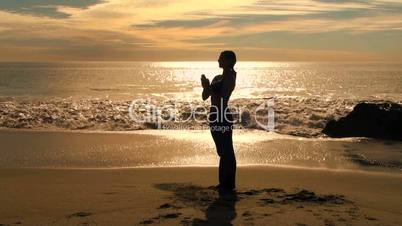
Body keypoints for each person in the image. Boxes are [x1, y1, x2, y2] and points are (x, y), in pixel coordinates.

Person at [201, 50, 237, 191]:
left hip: (222, 115)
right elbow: (205, 96)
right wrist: (206, 86)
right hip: (214, 115)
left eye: (221, 58)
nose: (218, 60)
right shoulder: (217, 77)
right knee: (222, 151)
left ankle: (227, 184)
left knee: (226, 151)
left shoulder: (230, 77)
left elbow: (222, 95)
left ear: (229, 60)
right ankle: (224, 183)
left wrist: (208, 87)